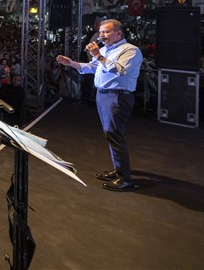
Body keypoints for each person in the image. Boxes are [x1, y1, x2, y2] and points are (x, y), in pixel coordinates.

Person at [56, 19, 142, 192]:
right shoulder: (104, 50)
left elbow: (118, 70)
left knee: (114, 135)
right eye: (101, 32)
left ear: (119, 33)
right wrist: (71, 63)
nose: (102, 35)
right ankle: (118, 170)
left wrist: (98, 56)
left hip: (117, 96)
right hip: (103, 96)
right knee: (110, 135)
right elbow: (92, 67)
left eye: (106, 32)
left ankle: (125, 179)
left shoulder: (131, 51)